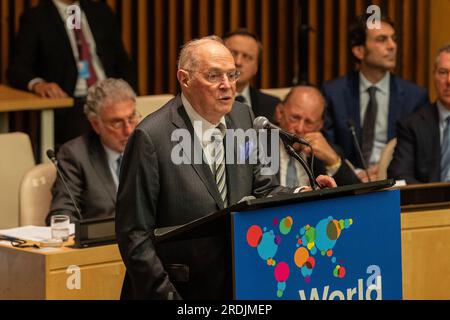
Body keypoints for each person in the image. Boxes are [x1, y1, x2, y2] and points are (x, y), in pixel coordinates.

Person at [115, 36, 336, 300]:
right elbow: (134, 236)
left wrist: (304, 193)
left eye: (232, 75)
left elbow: (263, 189)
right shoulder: (151, 136)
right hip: (177, 289)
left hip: (233, 283)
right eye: (214, 76)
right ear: (184, 79)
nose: (227, 86)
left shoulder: (244, 118)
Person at [7, 0, 136, 147]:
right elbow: (17, 69)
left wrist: (133, 96)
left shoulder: (100, 11)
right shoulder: (36, 18)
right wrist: (39, 84)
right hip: (72, 103)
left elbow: (123, 62)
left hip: (111, 98)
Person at [321, 13, 428, 182]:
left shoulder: (415, 96)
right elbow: (328, 145)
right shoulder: (334, 92)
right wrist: (353, 174)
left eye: (393, 39)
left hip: (394, 183)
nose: (392, 46)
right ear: (359, 51)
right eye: (381, 39)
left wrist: (383, 171)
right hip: (346, 183)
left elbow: (417, 152)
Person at [46, 78, 138, 225]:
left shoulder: (150, 147)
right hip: (101, 245)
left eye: (132, 118)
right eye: (117, 122)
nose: (128, 130)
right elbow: (62, 213)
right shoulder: (75, 155)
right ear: (96, 124)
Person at [275, 86, 361, 187]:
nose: (300, 128)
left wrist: (333, 161)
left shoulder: (327, 153)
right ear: (280, 113)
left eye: (309, 122)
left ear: (319, 125)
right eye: (295, 118)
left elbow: (358, 195)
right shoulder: (260, 147)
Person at [388, 45, 450, 184]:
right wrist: (433, 197)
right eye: (443, 72)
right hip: (432, 204)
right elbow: (399, 174)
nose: (449, 81)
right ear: (434, 75)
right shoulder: (412, 125)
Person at [223, 29, 280, 121]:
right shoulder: (204, 99)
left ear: (256, 67)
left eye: (246, 57)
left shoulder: (271, 105)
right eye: (233, 53)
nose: (238, 62)